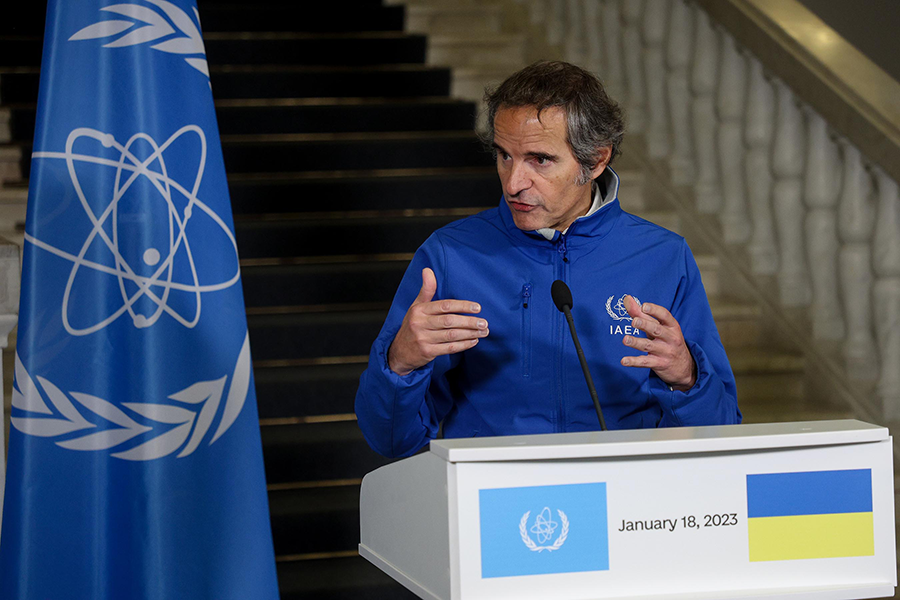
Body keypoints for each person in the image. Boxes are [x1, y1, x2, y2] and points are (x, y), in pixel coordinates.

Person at [355, 61, 740, 459]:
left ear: (596, 161)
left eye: (539, 159)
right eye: (504, 156)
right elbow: (390, 441)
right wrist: (399, 365)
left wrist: (687, 379)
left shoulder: (663, 257)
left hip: (625, 504)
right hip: (494, 504)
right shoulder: (451, 255)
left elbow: (723, 433)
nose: (513, 182)